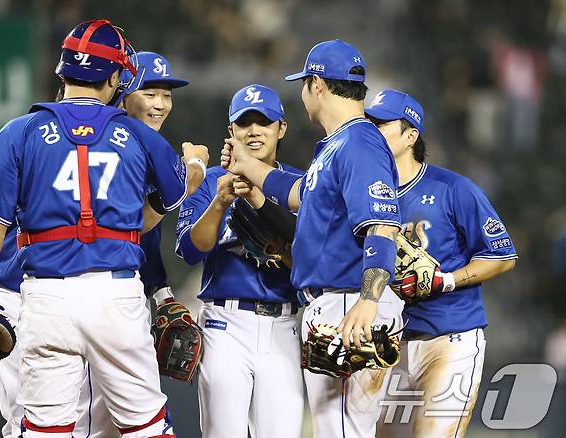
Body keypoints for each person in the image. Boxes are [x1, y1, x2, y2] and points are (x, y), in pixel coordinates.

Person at [0, 19, 208, 438]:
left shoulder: (19, 132)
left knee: (45, 429)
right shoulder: (138, 135)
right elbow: (161, 205)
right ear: (115, 77)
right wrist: (197, 168)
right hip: (115, 294)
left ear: (63, 72)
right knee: (147, 426)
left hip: (46, 295)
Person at [220, 40, 404, 438]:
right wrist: (248, 165)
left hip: (348, 303)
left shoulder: (359, 142)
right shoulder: (340, 144)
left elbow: (383, 225)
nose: (303, 92)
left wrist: (369, 300)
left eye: (304, 83)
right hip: (339, 300)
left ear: (317, 84)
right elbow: (302, 194)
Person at [364, 89, 517, 438]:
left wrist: (446, 280)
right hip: (388, 343)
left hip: (450, 338)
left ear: (410, 135)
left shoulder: (453, 188)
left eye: (382, 124)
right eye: (369, 124)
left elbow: (502, 256)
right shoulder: (365, 192)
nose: (373, 131)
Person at [175, 84, 304, 438]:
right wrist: (219, 203)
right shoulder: (212, 181)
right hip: (225, 325)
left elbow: (311, 256)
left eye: (263, 122)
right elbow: (190, 251)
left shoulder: (297, 184)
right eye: (244, 123)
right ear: (231, 131)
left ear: (281, 128)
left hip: (283, 325)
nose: (253, 131)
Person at [75, 50, 191, 438]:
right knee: (93, 421)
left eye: (167, 94)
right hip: (91, 291)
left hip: (117, 295)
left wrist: (160, 293)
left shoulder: (143, 147)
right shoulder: (108, 145)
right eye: (149, 92)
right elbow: (133, 227)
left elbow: (147, 238)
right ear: (122, 93)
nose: (159, 104)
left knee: (113, 423)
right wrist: (192, 174)